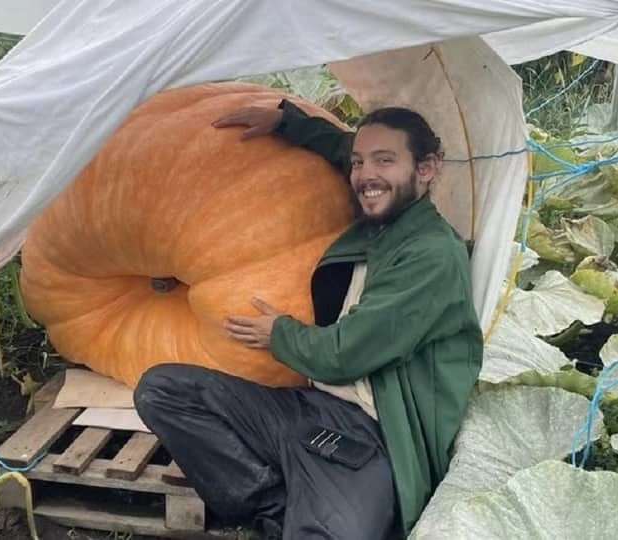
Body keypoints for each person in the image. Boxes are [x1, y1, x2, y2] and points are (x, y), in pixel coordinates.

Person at [133, 98, 483, 540]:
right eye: (359, 162)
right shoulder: (387, 218)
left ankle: (312, 507)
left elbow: (344, 355)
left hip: (367, 437)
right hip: (304, 409)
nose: (365, 174)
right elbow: (344, 149)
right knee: (161, 390)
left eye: (384, 160)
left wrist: (278, 333)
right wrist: (286, 121)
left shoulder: (431, 256)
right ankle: (273, 505)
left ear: (426, 168)